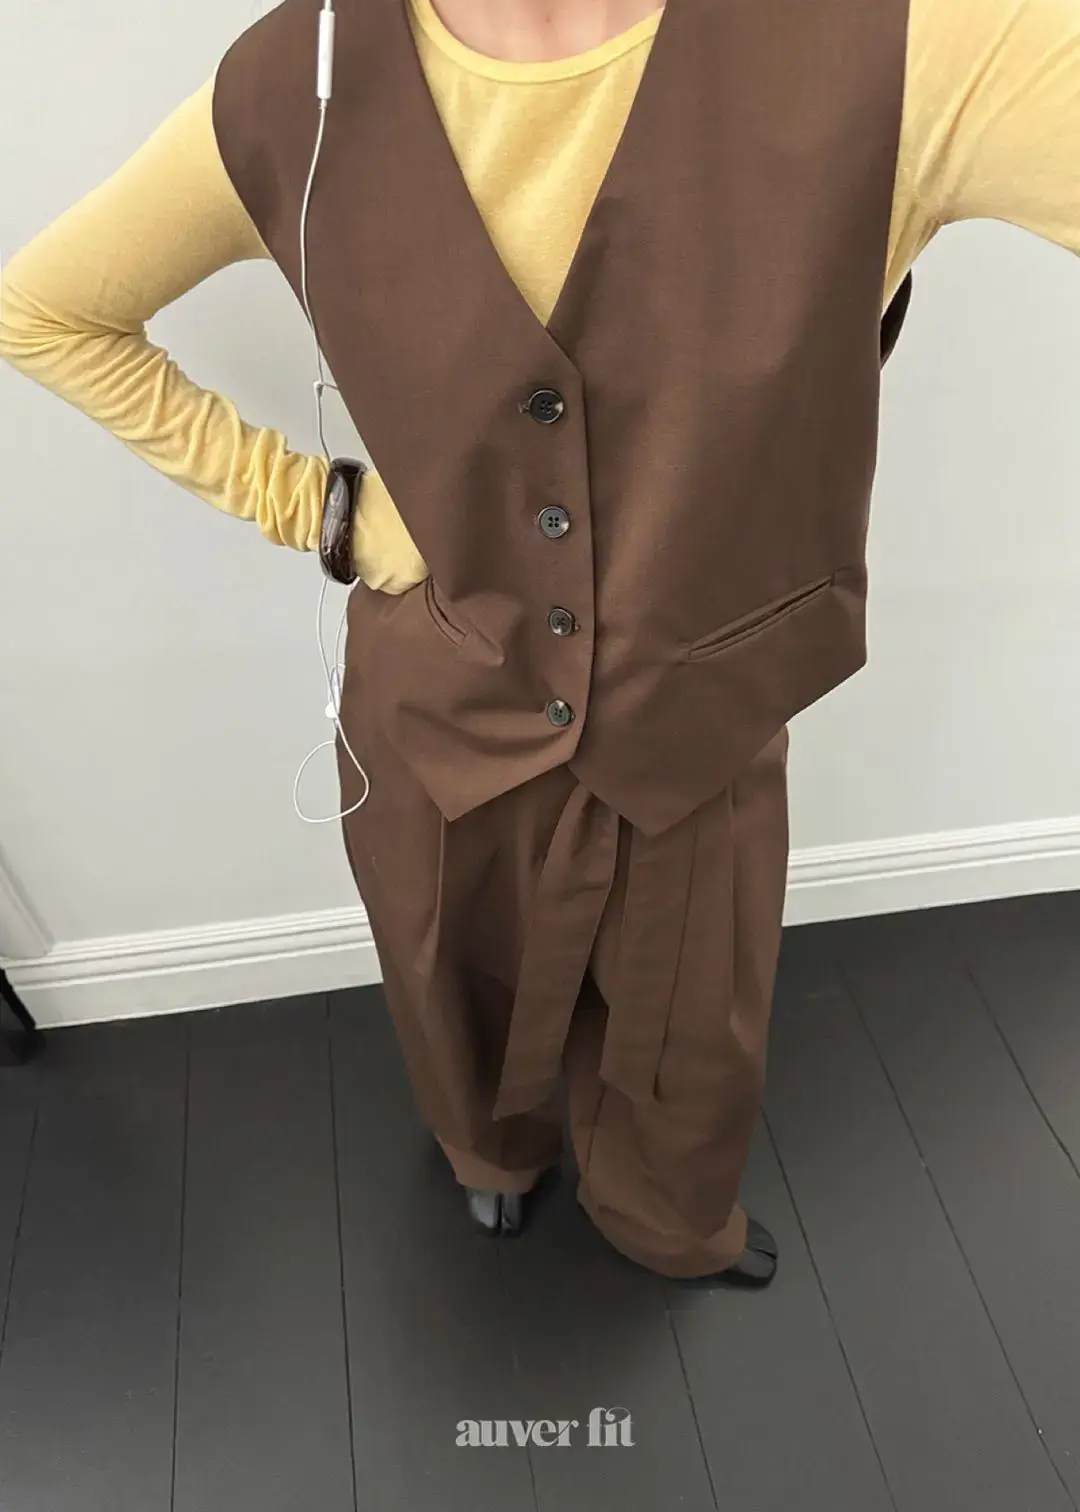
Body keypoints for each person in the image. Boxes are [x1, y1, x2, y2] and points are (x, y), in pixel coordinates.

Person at [3, 0, 1079, 1288]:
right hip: (441, 680)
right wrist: (323, 509)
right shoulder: (295, 80)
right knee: (446, 959)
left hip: (700, 692)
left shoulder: (909, 41)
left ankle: (666, 1217)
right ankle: (491, 1154)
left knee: (693, 1012)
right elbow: (43, 311)